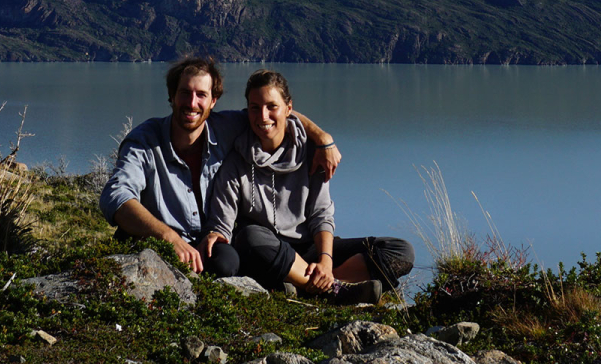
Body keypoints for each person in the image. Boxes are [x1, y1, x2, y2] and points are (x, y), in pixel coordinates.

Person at [99, 56, 342, 277]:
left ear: (213, 101)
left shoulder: (227, 126)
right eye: (184, 93)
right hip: (158, 243)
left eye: (201, 95)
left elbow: (273, 113)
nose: (192, 103)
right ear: (171, 96)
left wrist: (322, 138)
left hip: (207, 243)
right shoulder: (144, 141)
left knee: (228, 264)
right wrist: (168, 237)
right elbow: (116, 196)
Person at [203, 69, 413, 305]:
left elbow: (321, 214)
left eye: (271, 106)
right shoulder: (236, 161)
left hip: (308, 249)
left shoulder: (313, 154)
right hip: (268, 253)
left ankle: (319, 286)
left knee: (399, 251)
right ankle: (334, 290)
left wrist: (325, 260)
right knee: (249, 236)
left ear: (288, 109)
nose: (263, 116)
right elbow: (224, 220)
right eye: (255, 107)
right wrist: (216, 233)